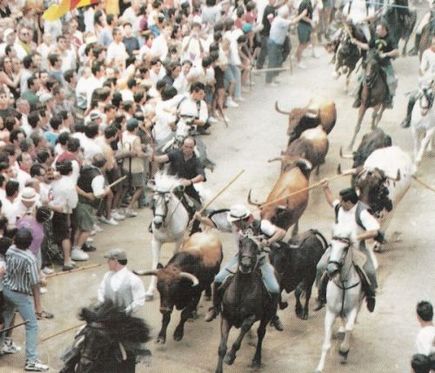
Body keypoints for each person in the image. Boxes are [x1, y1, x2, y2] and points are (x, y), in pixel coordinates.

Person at [204, 204, 286, 331]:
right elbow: (213, 223)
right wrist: (199, 218)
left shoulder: (262, 225)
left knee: (274, 288)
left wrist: (268, 242)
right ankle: (214, 308)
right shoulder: (235, 226)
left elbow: (281, 232)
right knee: (218, 279)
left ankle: (273, 316)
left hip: (260, 261)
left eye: (236, 222)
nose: (234, 224)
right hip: (239, 258)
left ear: (242, 220)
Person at [315, 184, 381, 312]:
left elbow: (374, 231)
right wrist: (326, 188)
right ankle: (321, 296)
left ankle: (371, 295)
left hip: (355, 247)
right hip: (338, 246)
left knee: (370, 272)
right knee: (321, 266)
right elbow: (331, 201)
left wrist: (357, 237)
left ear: (349, 202)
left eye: (342, 201)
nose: (339, 203)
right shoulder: (341, 207)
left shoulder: (362, 212)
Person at [0, 228, 49, 371]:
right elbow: (34, 284)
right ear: (29, 243)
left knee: (7, 319)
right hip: (20, 294)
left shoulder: (10, 250)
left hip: (7, 289)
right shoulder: (30, 258)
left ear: (15, 240)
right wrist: (38, 307)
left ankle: (2, 345)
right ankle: (31, 361)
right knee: (32, 325)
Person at [351, 23, 399, 109]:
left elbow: (397, 52)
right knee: (361, 78)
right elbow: (367, 46)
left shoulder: (391, 38)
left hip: (385, 64)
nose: (376, 31)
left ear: (384, 30)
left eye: (378, 30)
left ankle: (389, 100)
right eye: (376, 30)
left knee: (392, 81)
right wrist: (356, 42)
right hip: (373, 62)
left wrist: (386, 54)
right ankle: (357, 98)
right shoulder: (375, 37)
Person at [98, 248, 145, 316]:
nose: (107, 262)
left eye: (109, 260)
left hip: (127, 319)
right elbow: (101, 291)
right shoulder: (107, 276)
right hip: (107, 316)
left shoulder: (134, 279)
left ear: (116, 261)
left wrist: (125, 312)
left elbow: (139, 301)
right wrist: (104, 306)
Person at [401, 36, 435, 129]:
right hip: (427, 80)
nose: (434, 46)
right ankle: (408, 118)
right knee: (412, 98)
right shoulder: (427, 53)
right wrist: (422, 74)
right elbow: (423, 67)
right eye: (433, 44)